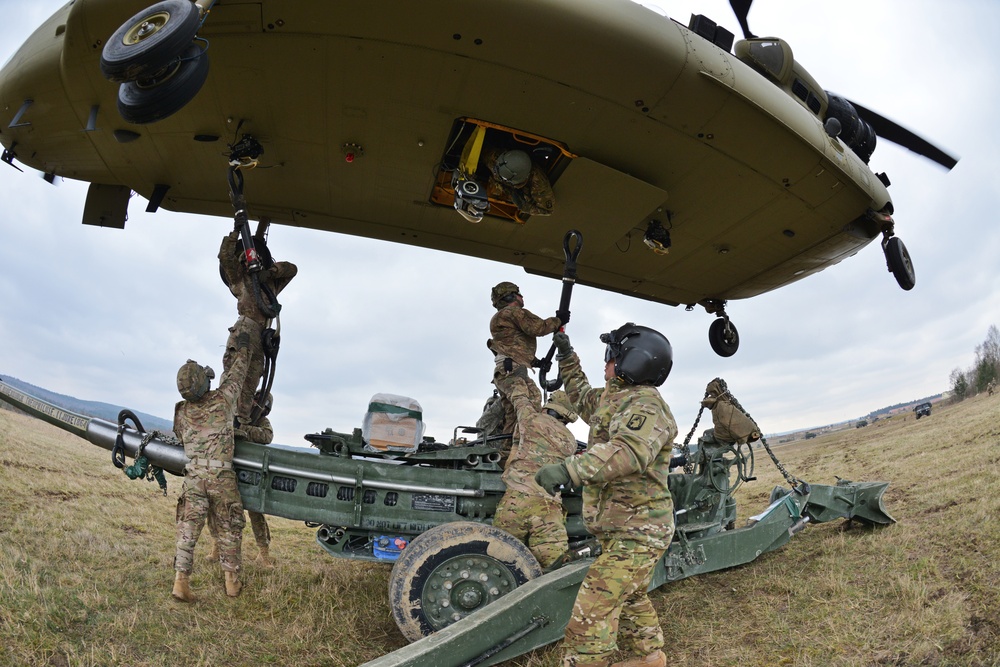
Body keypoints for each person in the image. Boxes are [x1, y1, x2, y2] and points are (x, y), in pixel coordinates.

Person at [534, 323, 677, 667]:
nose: (606, 362)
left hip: (641, 531)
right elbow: (580, 391)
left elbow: (628, 451)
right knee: (630, 595)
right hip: (620, 528)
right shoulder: (613, 399)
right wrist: (567, 356)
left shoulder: (646, 406)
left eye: (610, 355)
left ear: (632, 360)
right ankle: (650, 657)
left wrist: (569, 470)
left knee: (593, 605)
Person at [171, 331, 252, 602]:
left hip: (194, 475)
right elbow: (237, 375)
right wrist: (242, 348)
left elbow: (181, 436)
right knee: (229, 527)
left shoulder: (181, 410)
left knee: (188, 529)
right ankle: (231, 583)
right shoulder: (222, 400)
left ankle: (181, 583)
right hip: (220, 475)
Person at [492, 373, 579, 569]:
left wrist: (509, 373)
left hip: (516, 502)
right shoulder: (570, 441)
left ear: (550, 406)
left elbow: (519, 398)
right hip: (549, 509)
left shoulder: (531, 420)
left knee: (500, 560)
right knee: (555, 568)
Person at [218, 229, 297, 430]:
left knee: (252, 381)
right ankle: (222, 417)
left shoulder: (270, 285)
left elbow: (293, 269)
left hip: (261, 338)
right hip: (243, 332)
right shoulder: (239, 279)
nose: (248, 263)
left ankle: (241, 425)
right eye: (244, 259)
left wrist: (271, 272)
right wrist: (234, 234)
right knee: (234, 377)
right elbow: (225, 256)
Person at [488, 281, 564, 446]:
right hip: (512, 370)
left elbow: (515, 348)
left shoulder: (503, 318)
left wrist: (537, 363)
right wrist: (558, 320)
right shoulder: (513, 312)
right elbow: (537, 328)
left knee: (513, 415)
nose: (522, 297)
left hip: (509, 369)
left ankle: (507, 454)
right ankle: (528, 448)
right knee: (530, 403)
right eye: (518, 293)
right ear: (510, 296)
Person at [205, 391, 276, 568]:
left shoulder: (262, 422)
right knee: (217, 509)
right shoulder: (235, 414)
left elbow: (267, 436)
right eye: (254, 400)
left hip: (250, 475)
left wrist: (244, 430)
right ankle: (216, 546)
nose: (255, 404)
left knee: (256, 514)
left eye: (260, 404)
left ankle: (264, 553)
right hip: (228, 469)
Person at [486, 148, 555, 217]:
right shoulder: (501, 158)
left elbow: (546, 210)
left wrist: (523, 206)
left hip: (518, 190)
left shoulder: (539, 184)